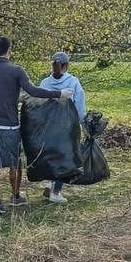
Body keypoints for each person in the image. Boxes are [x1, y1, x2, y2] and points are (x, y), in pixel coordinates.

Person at [0, 36, 71, 215]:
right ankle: (15, 197)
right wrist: (59, 93)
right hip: (10, 127)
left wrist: (17, 98)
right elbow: (33, 91)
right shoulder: (16, 71)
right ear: (9, 50)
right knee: (15, 164)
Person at [37, 51, 86, 203]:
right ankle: (56, 192)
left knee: (51, 156)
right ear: (67, 65)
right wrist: (83, 123)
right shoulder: (73, 82)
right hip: (66, 127)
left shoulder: (44, 83)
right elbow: (79, 105)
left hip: (47, 126)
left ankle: (49, 182)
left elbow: (38, 104)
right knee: (64, 159)